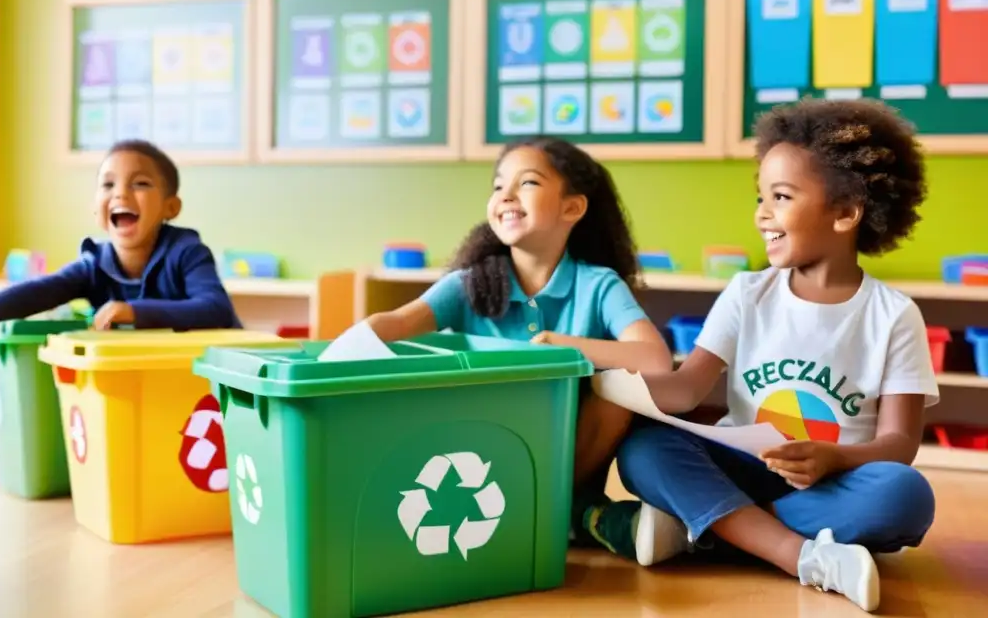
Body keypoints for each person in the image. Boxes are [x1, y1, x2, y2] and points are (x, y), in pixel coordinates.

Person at [586, 99, 937, 613]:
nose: (762, 213)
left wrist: (833, 456)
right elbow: (688, 388)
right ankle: (798, 554)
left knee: (905, 497)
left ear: (845, 213)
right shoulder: (747, 293)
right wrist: (609, 379)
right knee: (645, 450)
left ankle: (711, 526)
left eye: (782, 196)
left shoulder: (893, 314)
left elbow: (899, 443)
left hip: (831, 478)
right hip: (742, 463)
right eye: (761, 196)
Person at [365, 136, 673, 540]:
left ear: (572, 207)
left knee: (618, 386)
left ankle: (559, 508)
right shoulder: (467, 285)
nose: (506, 195)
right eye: (498, 186)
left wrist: (561, 344)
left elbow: (655, 359)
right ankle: (582, 520)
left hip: (566, 461)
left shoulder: (598, 285)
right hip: (473, 458)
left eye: (527, 183)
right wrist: (356, 338)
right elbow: (397, 323)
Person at [0, 139, 240, 347]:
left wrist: (134, 311)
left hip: (214, 381)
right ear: (95, 208)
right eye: (108, 185)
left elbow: (215, 308)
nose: (120, 193)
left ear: (171, 207)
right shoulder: (94, 264)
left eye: (140, 183)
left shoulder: (187, 251)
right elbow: (41, 290)